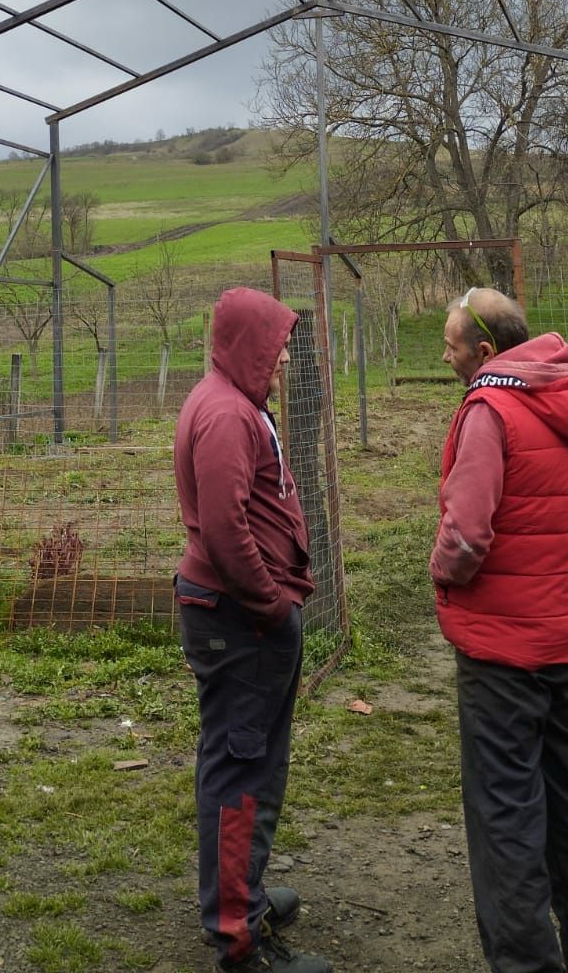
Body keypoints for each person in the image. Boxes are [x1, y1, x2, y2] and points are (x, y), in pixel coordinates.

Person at [430, 286, 568, 973]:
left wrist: (442, 576)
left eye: (452, 344)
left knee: (505, 815)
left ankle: (526, 964)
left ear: (486, 351)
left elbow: (466, 536)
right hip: (562, 634)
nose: (446, 354)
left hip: (501, 650)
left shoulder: (490, 410)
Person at [174, 287, 331, 973]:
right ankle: (239, 937)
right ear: (247, 346)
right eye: (275, 344)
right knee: (242, 771)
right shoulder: (226, 416)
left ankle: (246, 895)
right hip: (241, 621)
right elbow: (224, 530)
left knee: (252, 761)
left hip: (247, 618)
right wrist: (271, 604)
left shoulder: (234, 402)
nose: (284, 354)